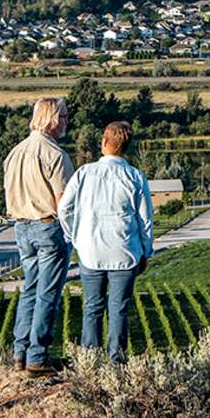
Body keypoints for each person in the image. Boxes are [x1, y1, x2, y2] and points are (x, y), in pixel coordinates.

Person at [58, 120, 154, 363]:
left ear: (103, 142)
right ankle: (116, 362)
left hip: (90, 251)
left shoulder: (84, 173)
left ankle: (90, 361)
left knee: (92, 308)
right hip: (125, 251)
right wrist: (146, 251)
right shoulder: (134, 176)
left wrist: (74, 237)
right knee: (118, 309)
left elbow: (64, 208)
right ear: (127, 146)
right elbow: (145, 220)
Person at [4, 97, 75, 374]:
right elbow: (63, 203)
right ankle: (38, 356)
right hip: (48, 226)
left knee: (29, 290)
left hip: (21, 227)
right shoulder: (55, 155)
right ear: (54, 119)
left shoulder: (15, 153)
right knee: (48, 294)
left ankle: (20, 353)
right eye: (65, 117)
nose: (67, 122)